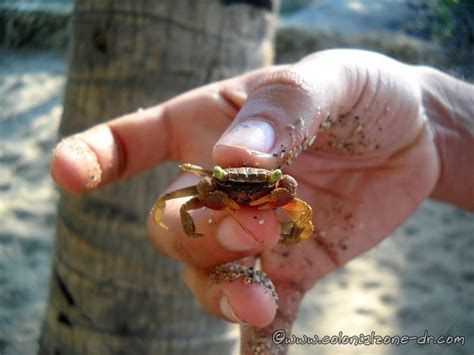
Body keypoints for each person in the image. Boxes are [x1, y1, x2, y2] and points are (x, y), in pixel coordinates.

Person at [50, 49, 473, 351]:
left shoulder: (273, 182)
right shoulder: (216, 181)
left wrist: (427, 119)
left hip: (280, 184)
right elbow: (186, 194)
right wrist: (429, 117)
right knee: (192, 206)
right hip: (225, 189)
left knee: (291, 207)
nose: (249, 187)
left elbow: (293, 198)